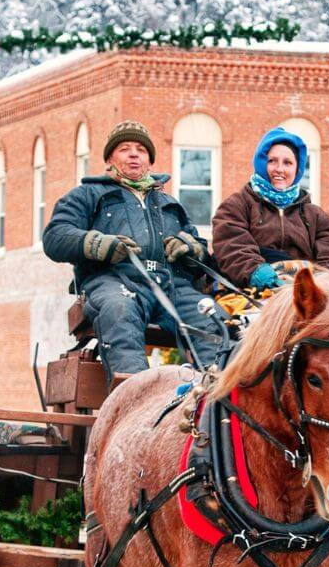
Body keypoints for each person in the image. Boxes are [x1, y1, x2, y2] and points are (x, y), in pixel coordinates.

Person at [43, 120, 220, 376]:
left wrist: (190, 249)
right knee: (119, 311)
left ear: (149, 160)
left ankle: (218, 400)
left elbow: (202, 253)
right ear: (110, 159)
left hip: (172, 286)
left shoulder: (170, 203)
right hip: (114, 281)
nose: (134, 153)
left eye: (141, 149)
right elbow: (55, 236)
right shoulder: (88, 194)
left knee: (214, 320)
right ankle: (134, 397)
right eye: (125, 148)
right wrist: (97, 244)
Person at [212, 127, 329, 291]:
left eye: (288, 163)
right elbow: (231, 243)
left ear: (297, 169)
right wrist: (255, 271)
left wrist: (323, 283)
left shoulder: (316, 216)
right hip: (247, 289)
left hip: (303, 293)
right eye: (272, 161)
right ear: (261, 163)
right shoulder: (237, 205)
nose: (279, 169)